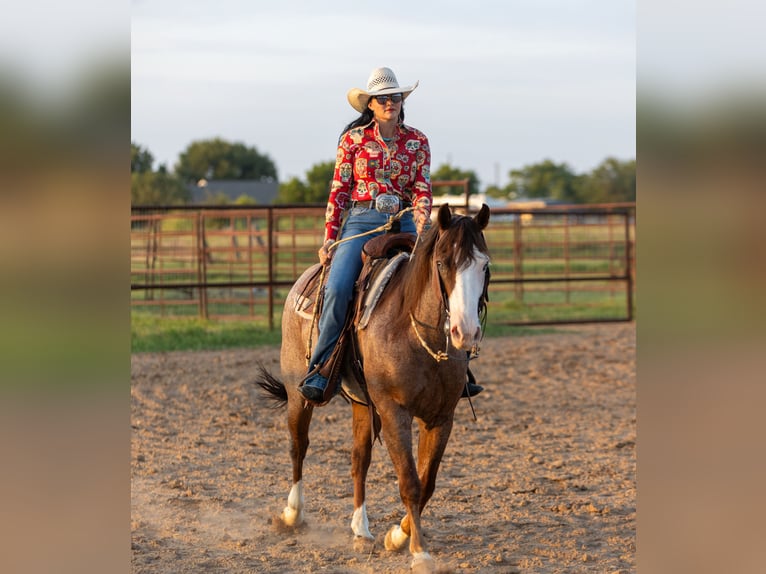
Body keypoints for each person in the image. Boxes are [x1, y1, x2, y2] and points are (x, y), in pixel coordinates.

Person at [298, 66, 482, 404]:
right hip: (360, 221)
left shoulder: (418, 141)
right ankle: (322, 367)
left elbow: (422, 188)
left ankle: (458, 367)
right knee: (338, 287)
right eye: (383, 99)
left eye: (395, 97)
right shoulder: (352, 141)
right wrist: (329, 237)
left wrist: (423, 221)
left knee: (439, 280)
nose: (390, 103)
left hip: (405, 221)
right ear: (370, 104)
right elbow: (339, 191)